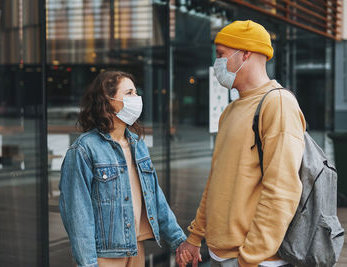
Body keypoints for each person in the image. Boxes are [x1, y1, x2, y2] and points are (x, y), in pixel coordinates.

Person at [176, 20, 306, 267]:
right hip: (222, 254)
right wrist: (195, 237)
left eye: (221, 55)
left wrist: (250, 258)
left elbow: (283, 190)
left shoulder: (277, 104)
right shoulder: (231, 110)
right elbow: (215, 182)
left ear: (245, 53)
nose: (217, 64)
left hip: (252, 260)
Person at [59, 70, 186, 267]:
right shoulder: (84, 149)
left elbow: (155, 196)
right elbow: (78, 215)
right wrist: (88, 264)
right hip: (104, 255)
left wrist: (178, 240)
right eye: (129, 93)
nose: (136, 99)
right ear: (108, 101)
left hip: (136, 248)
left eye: (136, 92)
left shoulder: (138, 144)